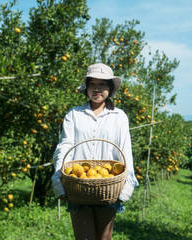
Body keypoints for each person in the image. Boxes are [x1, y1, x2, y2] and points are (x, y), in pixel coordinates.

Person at [51, 63, 139, 240]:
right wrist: (58, 179)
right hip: (78, 185)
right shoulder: (74, 114)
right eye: (92, 84)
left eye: (103, 84)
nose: (97, 89)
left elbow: (125, 150)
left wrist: (128, 185)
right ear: (86, 88)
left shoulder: (119, 116)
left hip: (109, 186)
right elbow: (65, 146)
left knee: (104, 238)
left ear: (110, 89)